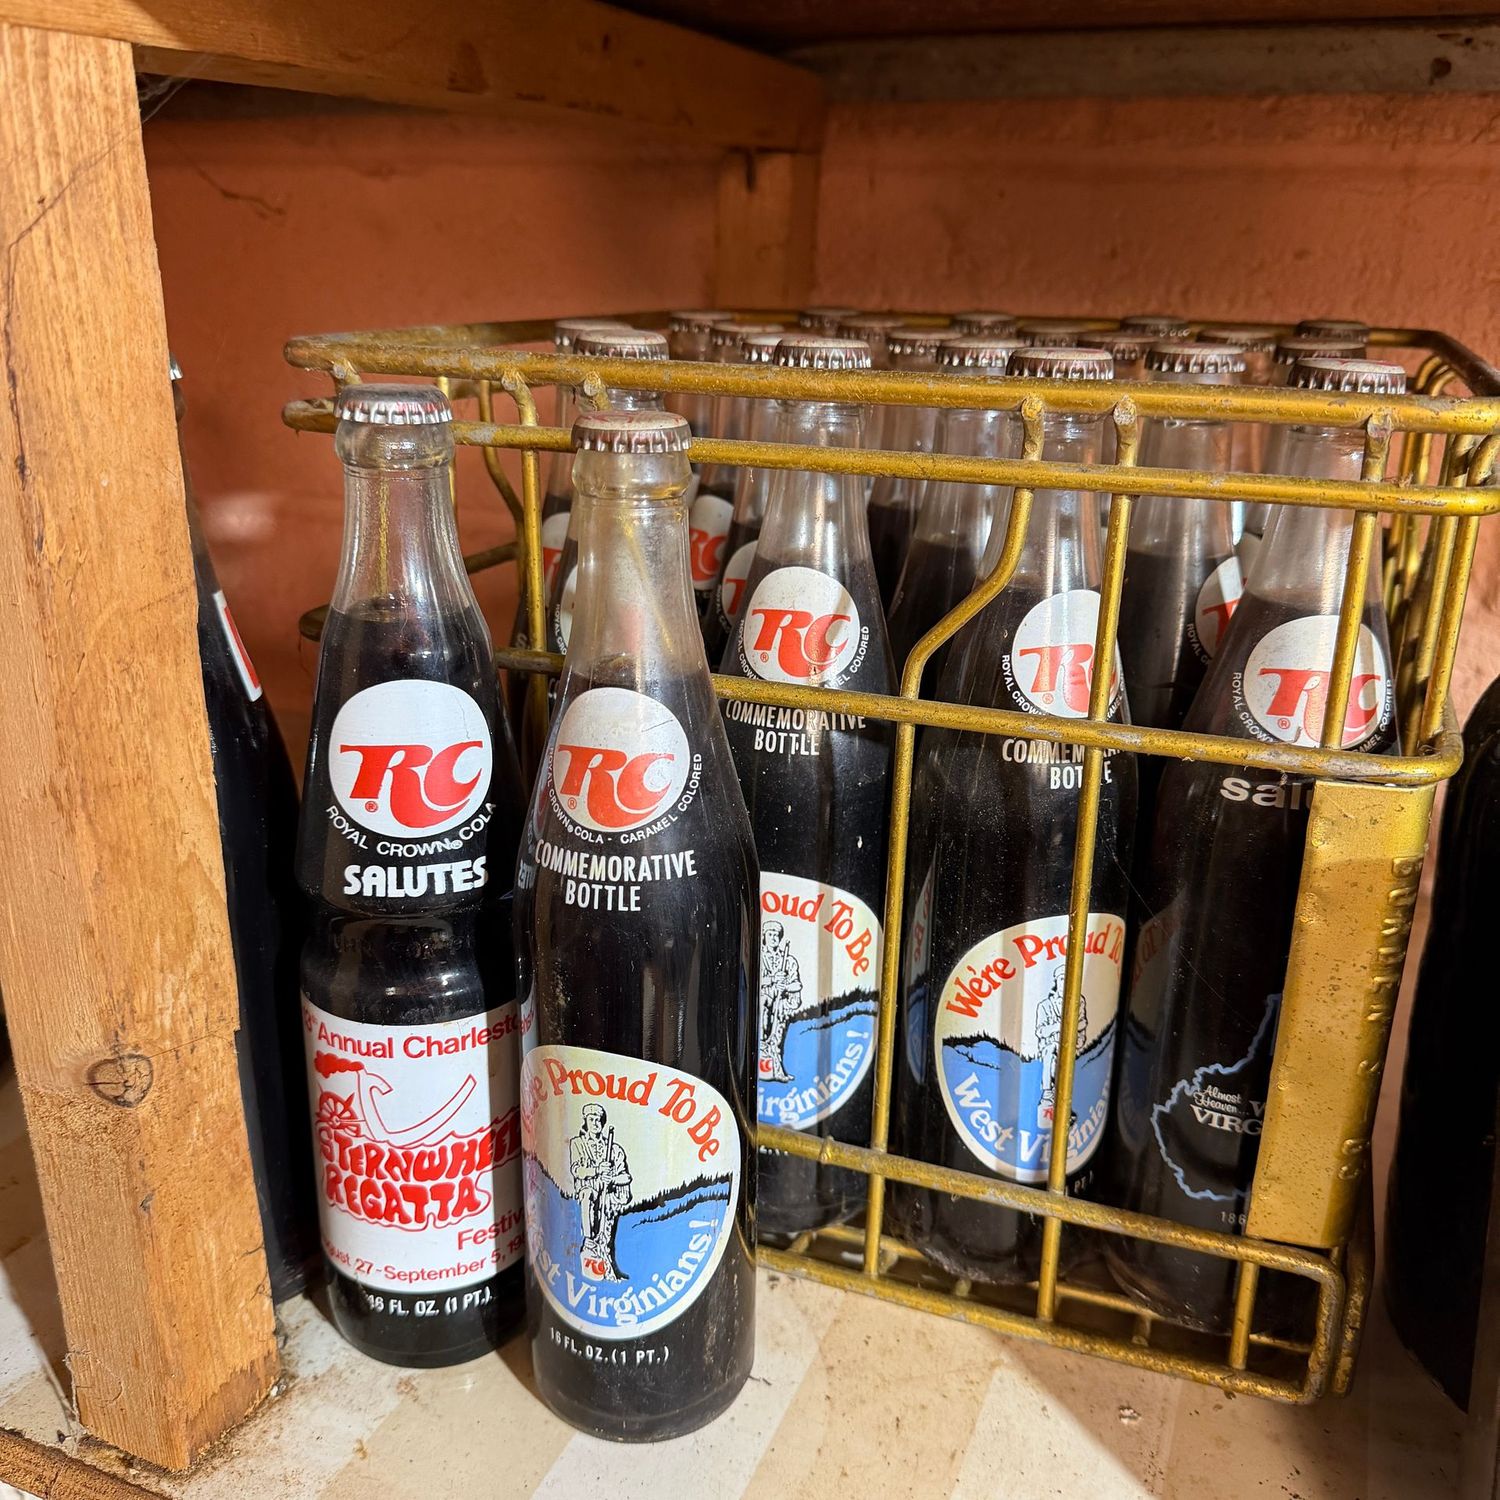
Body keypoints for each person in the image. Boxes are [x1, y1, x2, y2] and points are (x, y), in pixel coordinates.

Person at [568, 1103, 632, 1282]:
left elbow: (626, 1176)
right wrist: (597, 1169)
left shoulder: (614, 1149)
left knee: (608, 1227)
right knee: (588, 1195)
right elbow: (577, 1170)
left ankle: (608, 1265)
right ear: (585, 1122)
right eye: (591, 1119)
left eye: (598, 1120)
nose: (595, 1123)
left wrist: (611, 1179)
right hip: (588, 1190)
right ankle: (589, 1241)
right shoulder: (577, 1143)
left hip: (608, 1196)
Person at [1035, 967, 1088, 1122]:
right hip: (1049, 1045)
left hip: (1071, 1043)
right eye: (1061, 979)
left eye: (1067, 978)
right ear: (1056, 982)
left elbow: (1083, 1022)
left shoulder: (1080, 1001)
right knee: (1050, 1054)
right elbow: (1040, 1031)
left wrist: (1068, 1028)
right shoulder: (1045, 1006)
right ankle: (1047, 1094)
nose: (1064, 982)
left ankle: (1063, 1105)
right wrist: (1060, 1026)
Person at [759, 921, 803, 1084]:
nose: (773, 938)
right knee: (760, 1040)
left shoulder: (789, 961)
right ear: (764, 936)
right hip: (760, 1008)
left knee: (777, 1041)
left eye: (776, 935)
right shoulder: (758, 955)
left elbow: (797, 984)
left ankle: (778, 1072)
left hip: (780, 1007)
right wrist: (772, 979)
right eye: (770, 934)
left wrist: (785, 986)